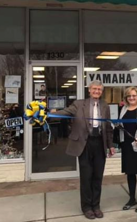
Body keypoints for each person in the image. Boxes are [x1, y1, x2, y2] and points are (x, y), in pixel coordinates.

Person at [51, 80, 115, 219]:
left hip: (100, 144)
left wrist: (110, 145)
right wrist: (48, 114)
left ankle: (96, 206)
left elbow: (108, 127)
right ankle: (86, 207)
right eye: (94, 89)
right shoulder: (79, 104)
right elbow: (65, 112)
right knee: (86, 177)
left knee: (98, 177)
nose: (97, 91)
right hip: (84, 144)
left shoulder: (105, 106)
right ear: (89, 90)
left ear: (101, 91)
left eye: (99, 89)